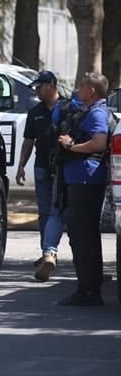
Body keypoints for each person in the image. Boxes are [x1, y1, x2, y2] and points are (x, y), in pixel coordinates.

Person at [56, 72, 112, 306]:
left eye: (82, 85)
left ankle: (89, 290)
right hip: (79, 179)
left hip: (87, 180)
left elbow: (100, 142)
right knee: (80, 235)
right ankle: (87, 287)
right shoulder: (90, 110)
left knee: (84, 235)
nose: (78, 88)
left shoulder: (98, 112)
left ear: (91, 91)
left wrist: (72, 145)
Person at [15, 71, 62, 281]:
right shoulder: (35, 112)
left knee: (56, 210)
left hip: (62, 168)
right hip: (41, 167)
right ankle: (46, 253)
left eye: (39, 86)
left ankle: (51, 252)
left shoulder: (68, 109)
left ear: (51, 85)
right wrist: (21, 166)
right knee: (43, 211)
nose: (36, 90)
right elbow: (28, 141)